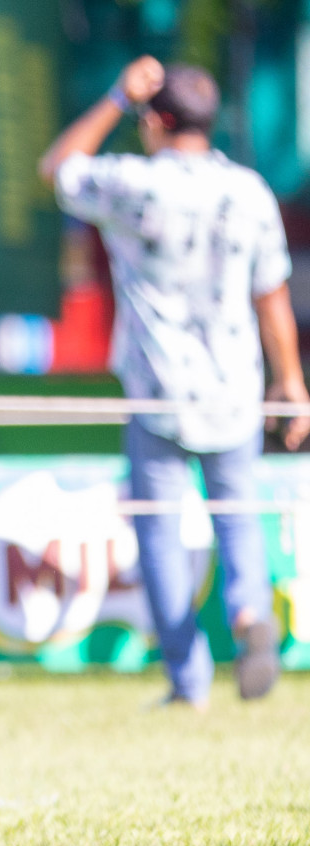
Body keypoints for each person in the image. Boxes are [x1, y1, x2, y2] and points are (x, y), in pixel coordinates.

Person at [40, 57, 310, 709]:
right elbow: (272, 295)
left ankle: (188, 680)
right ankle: (249, 616)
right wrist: (292, 383)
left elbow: (58, 167)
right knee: (237, 517)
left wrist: (114, 95)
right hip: (236, 386)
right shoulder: (249, 191)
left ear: (158, 120)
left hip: (157, 388)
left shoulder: (133, 183)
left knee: (159, 534)